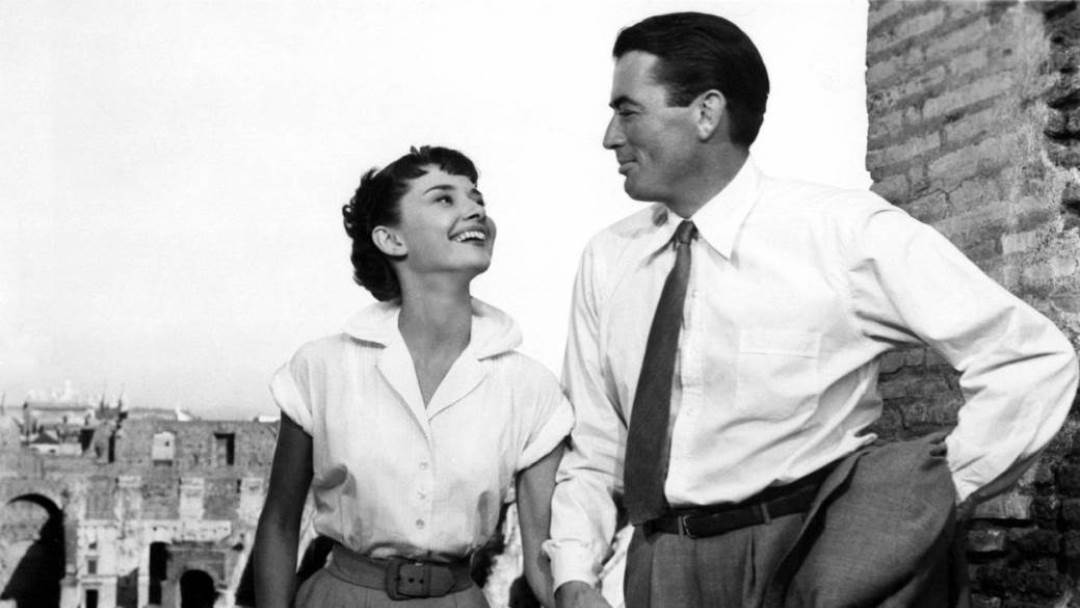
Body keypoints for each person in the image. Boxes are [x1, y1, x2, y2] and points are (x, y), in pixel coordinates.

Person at [544, 12, 1079, 608]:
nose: (610, 137)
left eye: (628, 111)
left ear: (706, 113)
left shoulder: (842, 233)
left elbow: (1030, 359)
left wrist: (931, 496)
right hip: (658, 569)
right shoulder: (608, 261)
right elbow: (596, 448)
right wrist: (574, 576)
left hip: (806, 560)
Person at [253, 145, 572, 608]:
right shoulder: (321, 368)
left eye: (477, 197)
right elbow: (279, 525)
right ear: (391, 239)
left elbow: (543, 559)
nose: (475, 210)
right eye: (444, 198)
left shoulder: (531, 388)